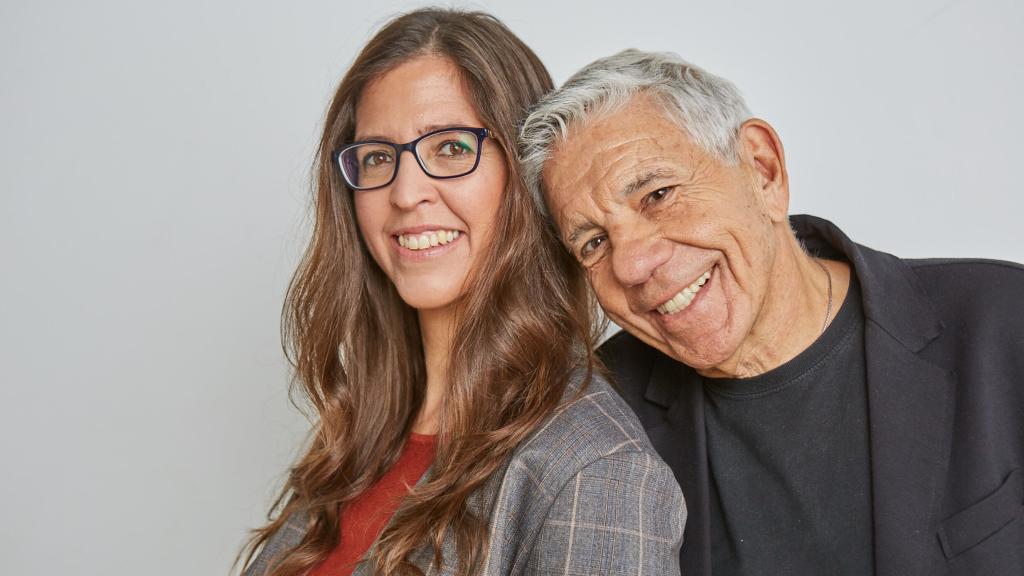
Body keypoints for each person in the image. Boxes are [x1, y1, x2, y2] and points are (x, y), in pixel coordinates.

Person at [519, 48, 1024, 576]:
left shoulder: (1003, 320)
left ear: (762, 170)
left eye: (658, 194)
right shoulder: (594, 422)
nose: (633, 264)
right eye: (594, 242)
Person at [237, 12, 685, 576]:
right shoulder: (361, 436)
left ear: (526, 175)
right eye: (377, 156)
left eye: (450, 148)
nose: (405, 192)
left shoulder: (595, 469)